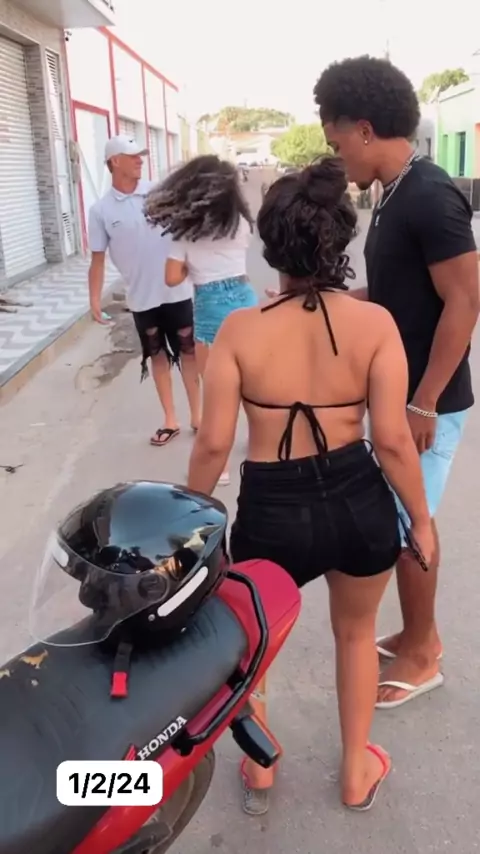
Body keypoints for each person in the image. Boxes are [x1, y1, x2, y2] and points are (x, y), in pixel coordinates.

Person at [186, 156, 434, 813]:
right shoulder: (375, 325)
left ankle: (260, 764)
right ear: (340, 240)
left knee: (255, 640)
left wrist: (193, 520)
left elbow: (213, 443)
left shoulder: (241, 330)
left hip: (272, 510)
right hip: (358, 501)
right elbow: (392, 439)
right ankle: (355, 772)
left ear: (271, 246)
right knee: (356, 634)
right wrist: (421, 519)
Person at [314, 56, 479, 709]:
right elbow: (394, 294)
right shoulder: (391, 193)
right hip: (401, 393)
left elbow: (466, 300)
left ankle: (423, 652)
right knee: (401, 517)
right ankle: (413, 632)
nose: (338, 157)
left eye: (337, 143)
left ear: (364, 128)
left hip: (427, 400)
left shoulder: (430, 195)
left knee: (413, 524)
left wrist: (425, 401)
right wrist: (330, 300)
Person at [144, 154, 258, 485]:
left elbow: (171, 278)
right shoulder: (241, 224)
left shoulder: (185, 235)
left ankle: (219, 469)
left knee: (215, 393)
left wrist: (190, 267)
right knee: (252, 385)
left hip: (210, 309)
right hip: (246, 302)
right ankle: (259, 449)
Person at [88, 135, 201, 447]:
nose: (140, 160)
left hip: (177, 292)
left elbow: (187, 232)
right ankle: (170, 420)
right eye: (132, 155)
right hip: (141, 298)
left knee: (188, 352)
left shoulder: (160, 194)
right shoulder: (100, 211)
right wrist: (94, 299)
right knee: (156, 355)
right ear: (115, 162)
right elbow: (97, 260)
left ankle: (198, 416)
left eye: (141, 154)